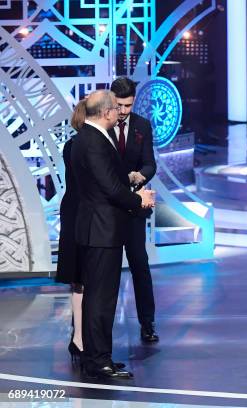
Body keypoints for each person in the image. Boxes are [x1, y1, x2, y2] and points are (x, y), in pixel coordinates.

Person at [71, 90, 155, 379]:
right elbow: (109, 187)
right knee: (100, 299)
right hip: (101, 230)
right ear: (107, 112)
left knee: (100, 297)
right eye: (115, 109)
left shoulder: (88, 137)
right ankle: (98, 361)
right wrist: (139, 200)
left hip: (99, 228)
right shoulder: (93, 141)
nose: (120, 113)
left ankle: (99, 357)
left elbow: (108, 181)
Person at [110, 77, 159, 343]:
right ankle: (97, 329)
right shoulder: (101, 126)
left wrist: (140, 176)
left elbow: (151, 163)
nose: (124, 111)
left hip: (133, 209)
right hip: (108, 208)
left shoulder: (141, 125)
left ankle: (147, 323)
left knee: (140, 265)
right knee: (106, 270)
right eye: (119, 105)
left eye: (128, 105)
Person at [55, 100, 87, 363]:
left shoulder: (75, 145)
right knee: (81, 277)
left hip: (78, 211)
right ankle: (79, 337)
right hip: (80, 213)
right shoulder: (78, 146)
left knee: (83, 278)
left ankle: (81, 335)